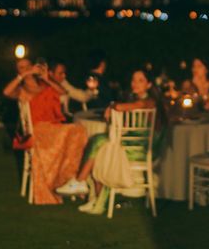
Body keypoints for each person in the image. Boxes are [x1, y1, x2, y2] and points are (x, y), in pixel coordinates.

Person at [55, 69, 163, 214]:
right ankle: (96, 200)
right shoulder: (134, 99)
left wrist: (113, 106)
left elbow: (123, 107)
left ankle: (81, 183)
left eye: (140, 80)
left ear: (149, 84)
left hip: (140, 150)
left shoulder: (149, 101)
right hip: (129, 146)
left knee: (99, 141)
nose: (135, 83)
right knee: (100, 148)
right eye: (133, 79)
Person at [2, 58, 88, 205]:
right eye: (21, 67)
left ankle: (69, 180)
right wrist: (23, 75)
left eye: (28, 65)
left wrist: (47, 78)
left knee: (79, 131)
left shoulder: (44, 84)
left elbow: (63, 92)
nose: (26, 69)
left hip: (53, 127)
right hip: (38, 131)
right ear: (18, 71)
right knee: (74, 131)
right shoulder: (21, 90)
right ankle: (62, 183)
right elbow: (6, 92)